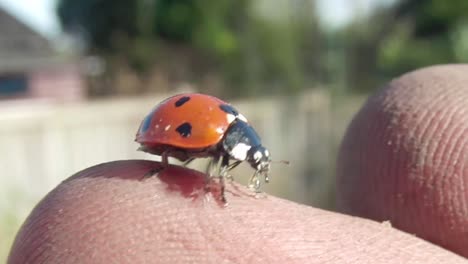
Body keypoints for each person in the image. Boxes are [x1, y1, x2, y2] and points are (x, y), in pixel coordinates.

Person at [8, 65, 467, 263]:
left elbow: (224, 154)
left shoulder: (231, 137)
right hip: (168, 138)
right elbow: (213, 155)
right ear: (240, 148)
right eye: (254, 160)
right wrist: (219, 185)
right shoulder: (221, 136)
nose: (254, 165)